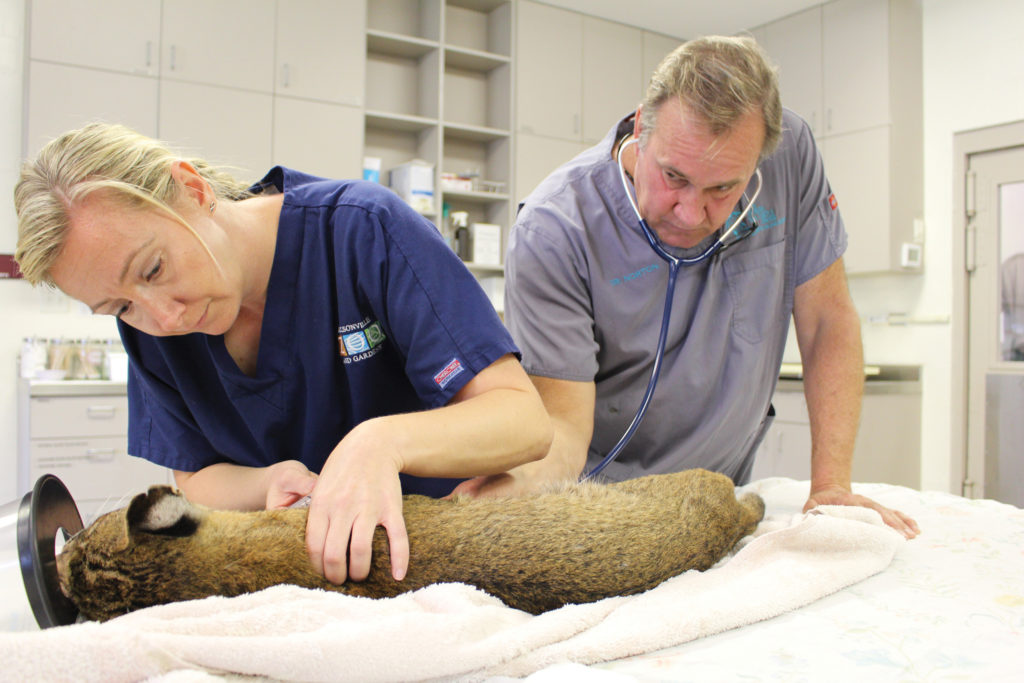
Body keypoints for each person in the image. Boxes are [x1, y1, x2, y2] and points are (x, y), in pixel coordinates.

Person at [14, 122, 554, 584]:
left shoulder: (362, 232)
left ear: (191, 189)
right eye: (121, 306)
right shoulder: (150, 332)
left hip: (438, 558)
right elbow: (197, 477)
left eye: (154, 269)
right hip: (302, 581)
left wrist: (381, 444)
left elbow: (522, 420)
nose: (166, 317)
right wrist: (267, 483)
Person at [454, 36, 918, 538]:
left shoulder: (790, 155)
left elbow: (827, 320)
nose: (692, 213)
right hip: (601, 509)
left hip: (722, 498)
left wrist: (830, 486)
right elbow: (562, 428)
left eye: (723, 189)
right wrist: (505, 494)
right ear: (641, 129)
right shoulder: (555, 230)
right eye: (674, 176)